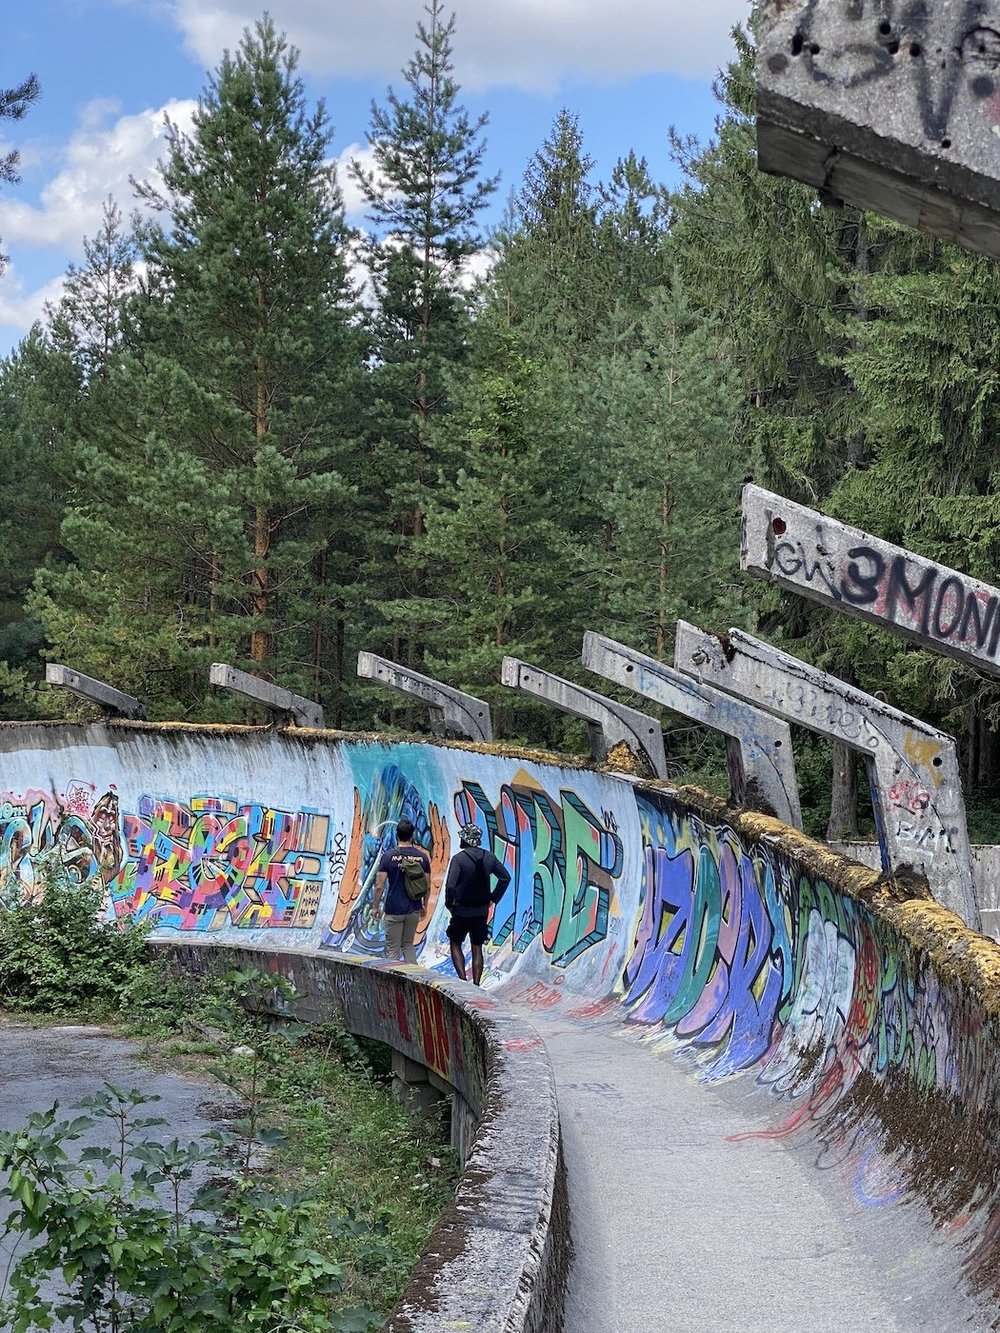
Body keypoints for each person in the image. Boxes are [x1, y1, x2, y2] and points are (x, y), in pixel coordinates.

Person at [445, 823, 510, 985]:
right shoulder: (489, 857)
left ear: (465, 839)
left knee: (455, 942)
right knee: (477, 947)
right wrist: (493, 899)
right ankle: (476, 984)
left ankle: (462, 979)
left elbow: (451, 885)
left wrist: (450, 905)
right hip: (481, 911)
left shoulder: (459, 859)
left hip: (461, 910)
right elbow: (505, 878)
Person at [372, 817, 430, 965]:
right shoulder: (422, 858)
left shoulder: (388, 856)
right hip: (413, 909)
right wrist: (425, 905)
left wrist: (375, 907)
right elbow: (427, 885)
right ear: (412, 835)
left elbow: (379, 885)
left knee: (393, 950)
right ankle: (414, 983)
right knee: (408, 945)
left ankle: (394, 986)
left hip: (394, 909)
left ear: (397, 835)